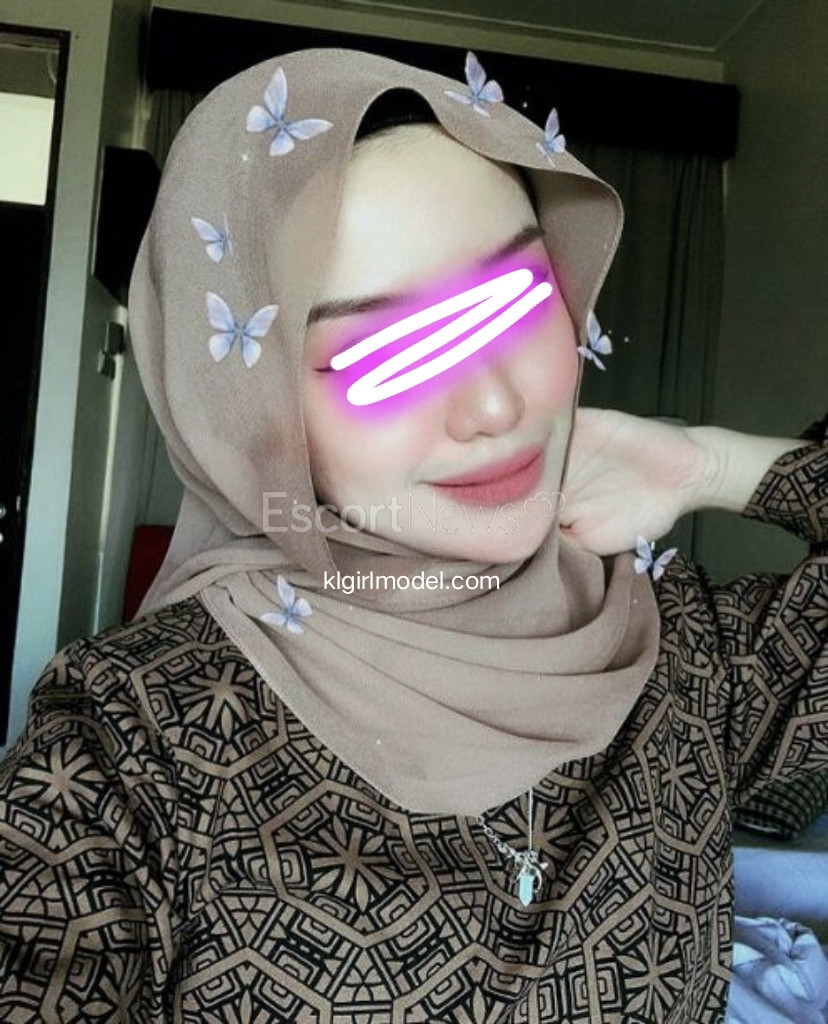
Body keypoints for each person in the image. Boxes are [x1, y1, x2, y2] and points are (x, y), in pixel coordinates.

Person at [0, 46, 825, 1023]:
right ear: (251, 412)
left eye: (517, 302)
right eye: (387, 353)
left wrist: (710, 465)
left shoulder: (686, 655)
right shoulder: (127, 743)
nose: (494, 406)